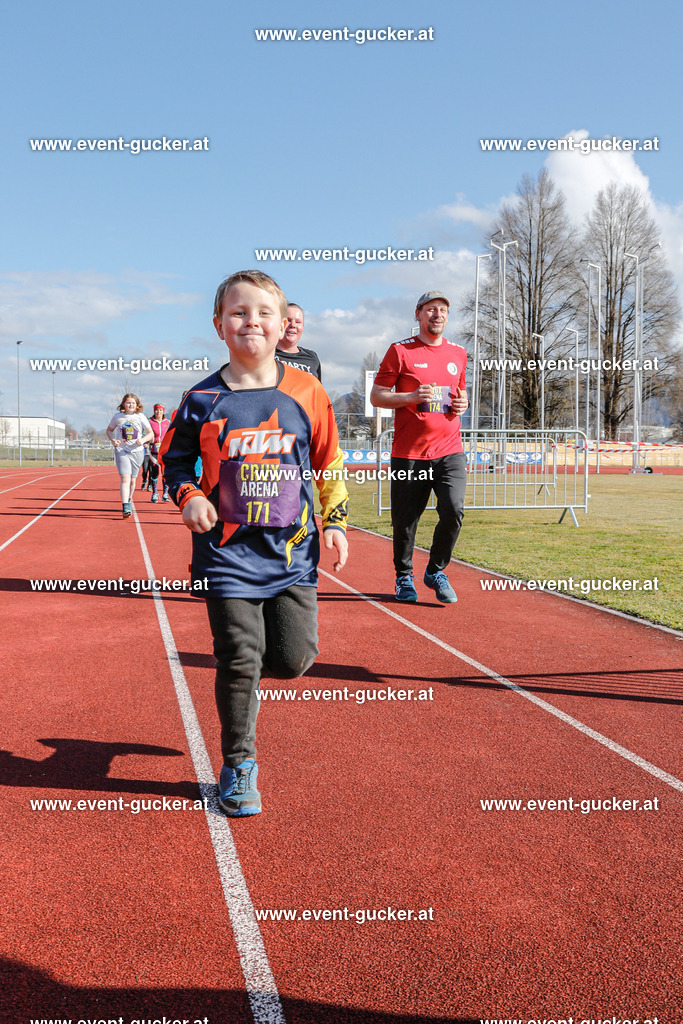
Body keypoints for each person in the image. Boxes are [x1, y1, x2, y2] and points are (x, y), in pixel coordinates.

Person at [160, 270, 348, 817]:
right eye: (239, 313)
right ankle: (239, 764)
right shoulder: (201, 399)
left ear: (282, 323)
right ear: (219, 325)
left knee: (292, 660)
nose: (252, 322)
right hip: (226, 556)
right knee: (240, 657)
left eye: (263, 312)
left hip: (292, 555)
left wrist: (334, 520)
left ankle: (239, 680)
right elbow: (172, 462)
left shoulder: (306, 390)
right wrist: (190, 495)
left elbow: (330, 460)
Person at [370, 290, 468, 604]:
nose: (437, 315)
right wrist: (411, 397)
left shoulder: (459, 353)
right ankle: (403, 576)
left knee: (453, 510)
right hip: (409, 453)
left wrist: (463, 404)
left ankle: (436, 570)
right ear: (418, 314)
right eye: (430, 309)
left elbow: (459, 395)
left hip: (449, 450)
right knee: (405, 520)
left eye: (442, 310)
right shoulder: (400, 351)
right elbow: (377, 396)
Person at [106, 394, 154, 518]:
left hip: (137, 451)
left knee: (133, 480)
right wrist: (113, 440)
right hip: (122, 450)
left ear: (137, 405)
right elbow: (109, 430)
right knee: (125, 478)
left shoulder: (140, 416)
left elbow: (150, 433)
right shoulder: (118, 417)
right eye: (128, 403)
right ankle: (126, 505)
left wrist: (142, 441)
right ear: (123, 404)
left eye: (133, 403)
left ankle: (129, 497)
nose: (130, 405)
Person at [275, 303, 322, 380]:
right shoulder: (268, 355)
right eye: (288, 320)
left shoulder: (311, 357)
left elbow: (317, 390)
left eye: (298, 322)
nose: (293, 325)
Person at [149, 404, 171, 502]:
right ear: (154, 411)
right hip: (154, 450)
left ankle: (165, 494)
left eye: (160, 410)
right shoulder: (150, 422)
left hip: (165, 451)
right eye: (156, 410)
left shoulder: (168, 422)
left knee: (165, 472)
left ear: (163, 411)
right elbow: (146, 433)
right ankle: (154, 494)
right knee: (154, 472)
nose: (158, 412)